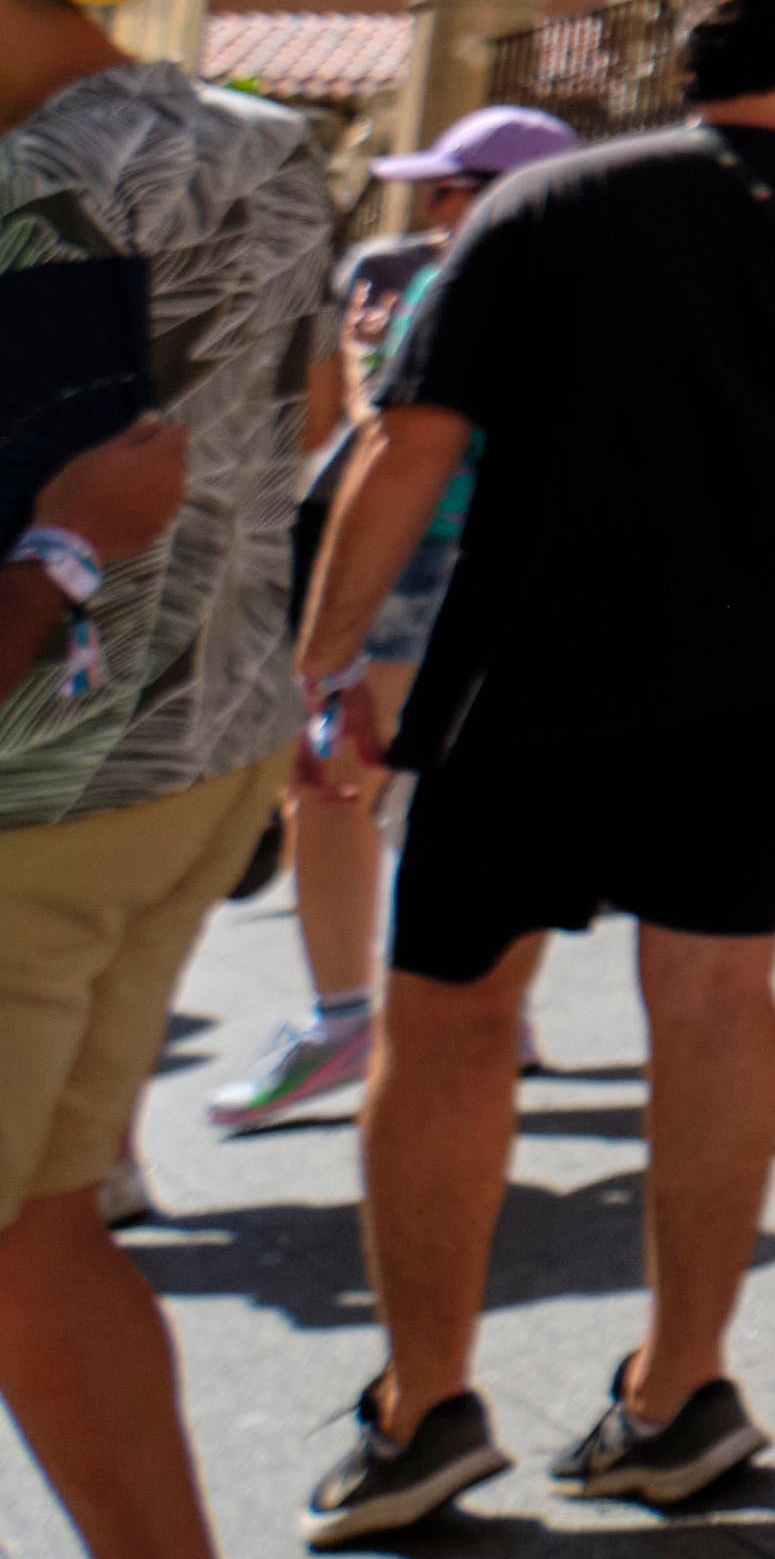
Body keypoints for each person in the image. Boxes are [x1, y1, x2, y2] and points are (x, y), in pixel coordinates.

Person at [295, 0, 775, 1544]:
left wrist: (325, 662)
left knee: (457, 1008)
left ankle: (421, 1409)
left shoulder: (552, 209)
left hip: (552, 643)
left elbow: (408, 445)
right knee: (717, 983)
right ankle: (682, 1388)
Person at [0, 0, 331, 1559]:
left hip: (29, 776)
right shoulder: (266, 140)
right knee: (42, 1224)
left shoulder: (28, 189)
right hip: (199, 738)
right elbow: (319, 411)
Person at [208, 104, 576, 1138]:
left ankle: (345, 1022)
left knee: (329, 783)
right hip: (531, 568)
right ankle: (490, 1012)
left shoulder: (472, 286)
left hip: (416, 558)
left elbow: (392, 442)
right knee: (473, 796)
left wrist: (323, 648)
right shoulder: (598, 289)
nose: (430, 209)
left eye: (451, 190)